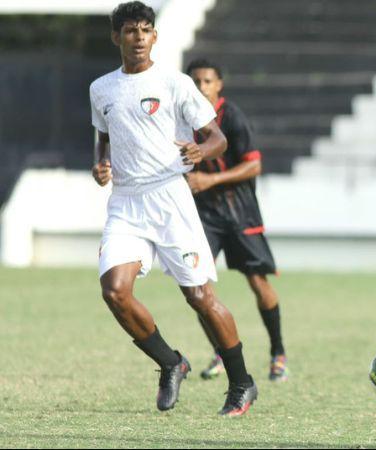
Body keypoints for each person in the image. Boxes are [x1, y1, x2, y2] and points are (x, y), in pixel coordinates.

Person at [90, 1, 257, 416]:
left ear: (155, 36)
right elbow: (103, 135)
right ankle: (171, 362)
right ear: (117, 38)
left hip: (170, 198)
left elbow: (217, 138)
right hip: (126, 202)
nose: (139, 38)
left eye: (146, 30)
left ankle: (242, 382)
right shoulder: (101, 88)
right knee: (114, 291)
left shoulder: (175, 83)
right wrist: (100, 163)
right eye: (131, 31)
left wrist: (201, 149)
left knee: (199, 296)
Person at [185, 58, 288, 382]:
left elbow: (253, 166)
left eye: (207, 81)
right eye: (196, 81)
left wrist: (209, 181)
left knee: (258, 281)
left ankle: (278, 352)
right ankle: (221, 350)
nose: (201, 87)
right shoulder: (181, 117)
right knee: (196, 282)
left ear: (219, 85)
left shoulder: (232, 117)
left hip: (238, 208)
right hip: (203, 213)